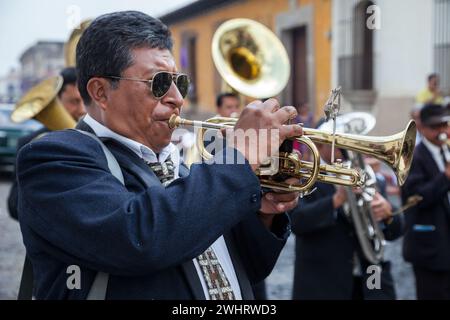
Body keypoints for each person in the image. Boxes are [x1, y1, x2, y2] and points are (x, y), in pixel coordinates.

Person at [16, 11, 303, 300]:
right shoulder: (53, 159)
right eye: (159, 83)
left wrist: (263, 213)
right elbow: (138, 239)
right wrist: (240, 156)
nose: (177, 98)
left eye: (181, 83)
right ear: (101, 92)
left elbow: (246, 268)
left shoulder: (181, 165)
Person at [289, 125, 403, 300]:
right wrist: (336, 200)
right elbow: (297, 222)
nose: (349, 149)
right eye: (340, 144)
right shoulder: (305, 179)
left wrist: (388, 214)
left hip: (372, 277)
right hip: (325, 282)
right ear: (319, 145)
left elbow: (395, 232)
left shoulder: (368, 177)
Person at [7, 67, 86, 220]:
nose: (82, 109)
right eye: (74, 101)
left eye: (85, 100)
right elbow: (14, 206)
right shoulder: (29, 144)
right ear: (57, 98)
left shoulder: (103, 138)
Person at [401, 103, 450, 300]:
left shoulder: (445, 151)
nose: (442, 131)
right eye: (435, 127)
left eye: (444, 125)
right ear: (422, 127)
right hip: (429, 247)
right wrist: (445, 177)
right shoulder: (414, 156)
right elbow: (416, 198)